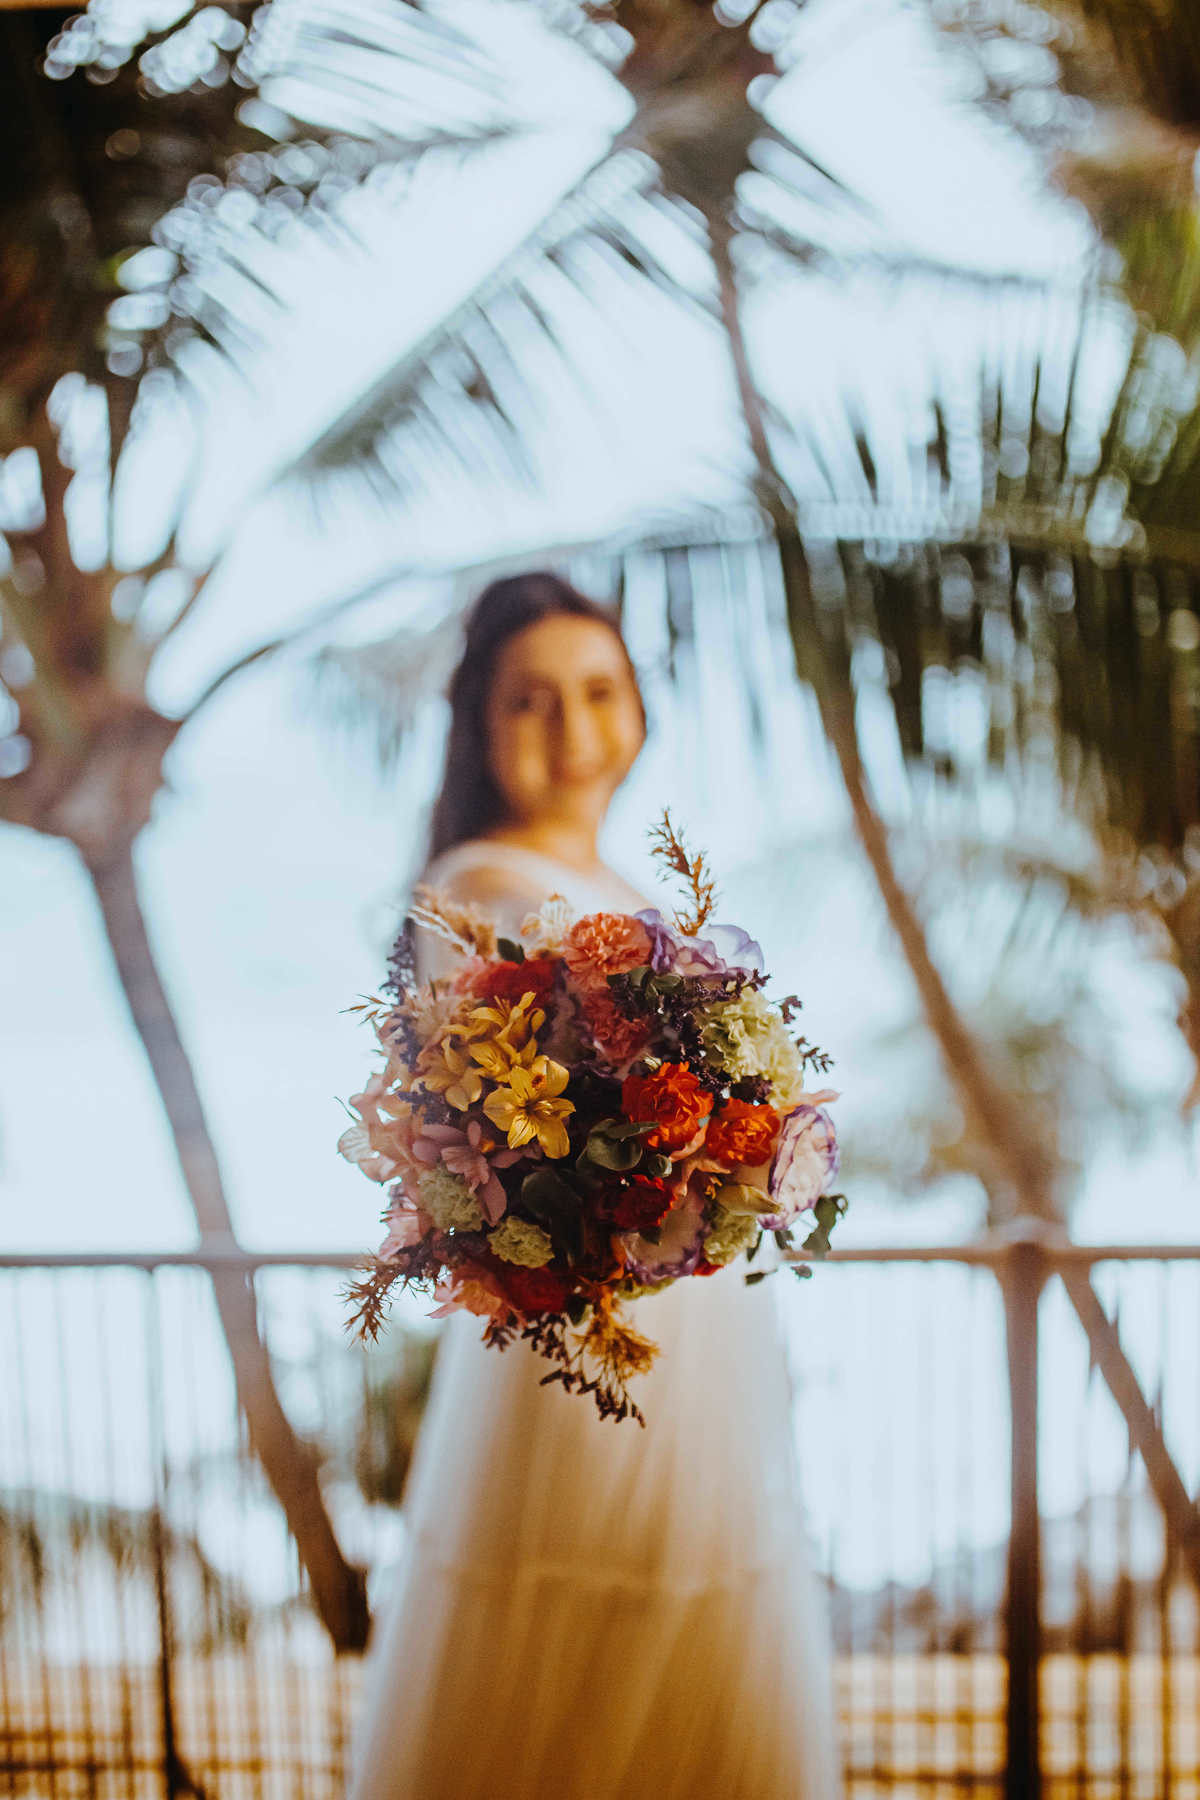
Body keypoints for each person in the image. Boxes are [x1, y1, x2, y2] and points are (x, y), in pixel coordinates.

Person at [346, 572, 841, 1800]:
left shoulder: (621, 881)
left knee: (699, 1632)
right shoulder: (474, 879)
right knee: (576, 1646)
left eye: (598, 691)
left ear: (635, 707)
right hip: (572, 1355)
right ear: (481, 720)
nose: (572, 730)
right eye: (532, 700)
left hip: (697, 1328)